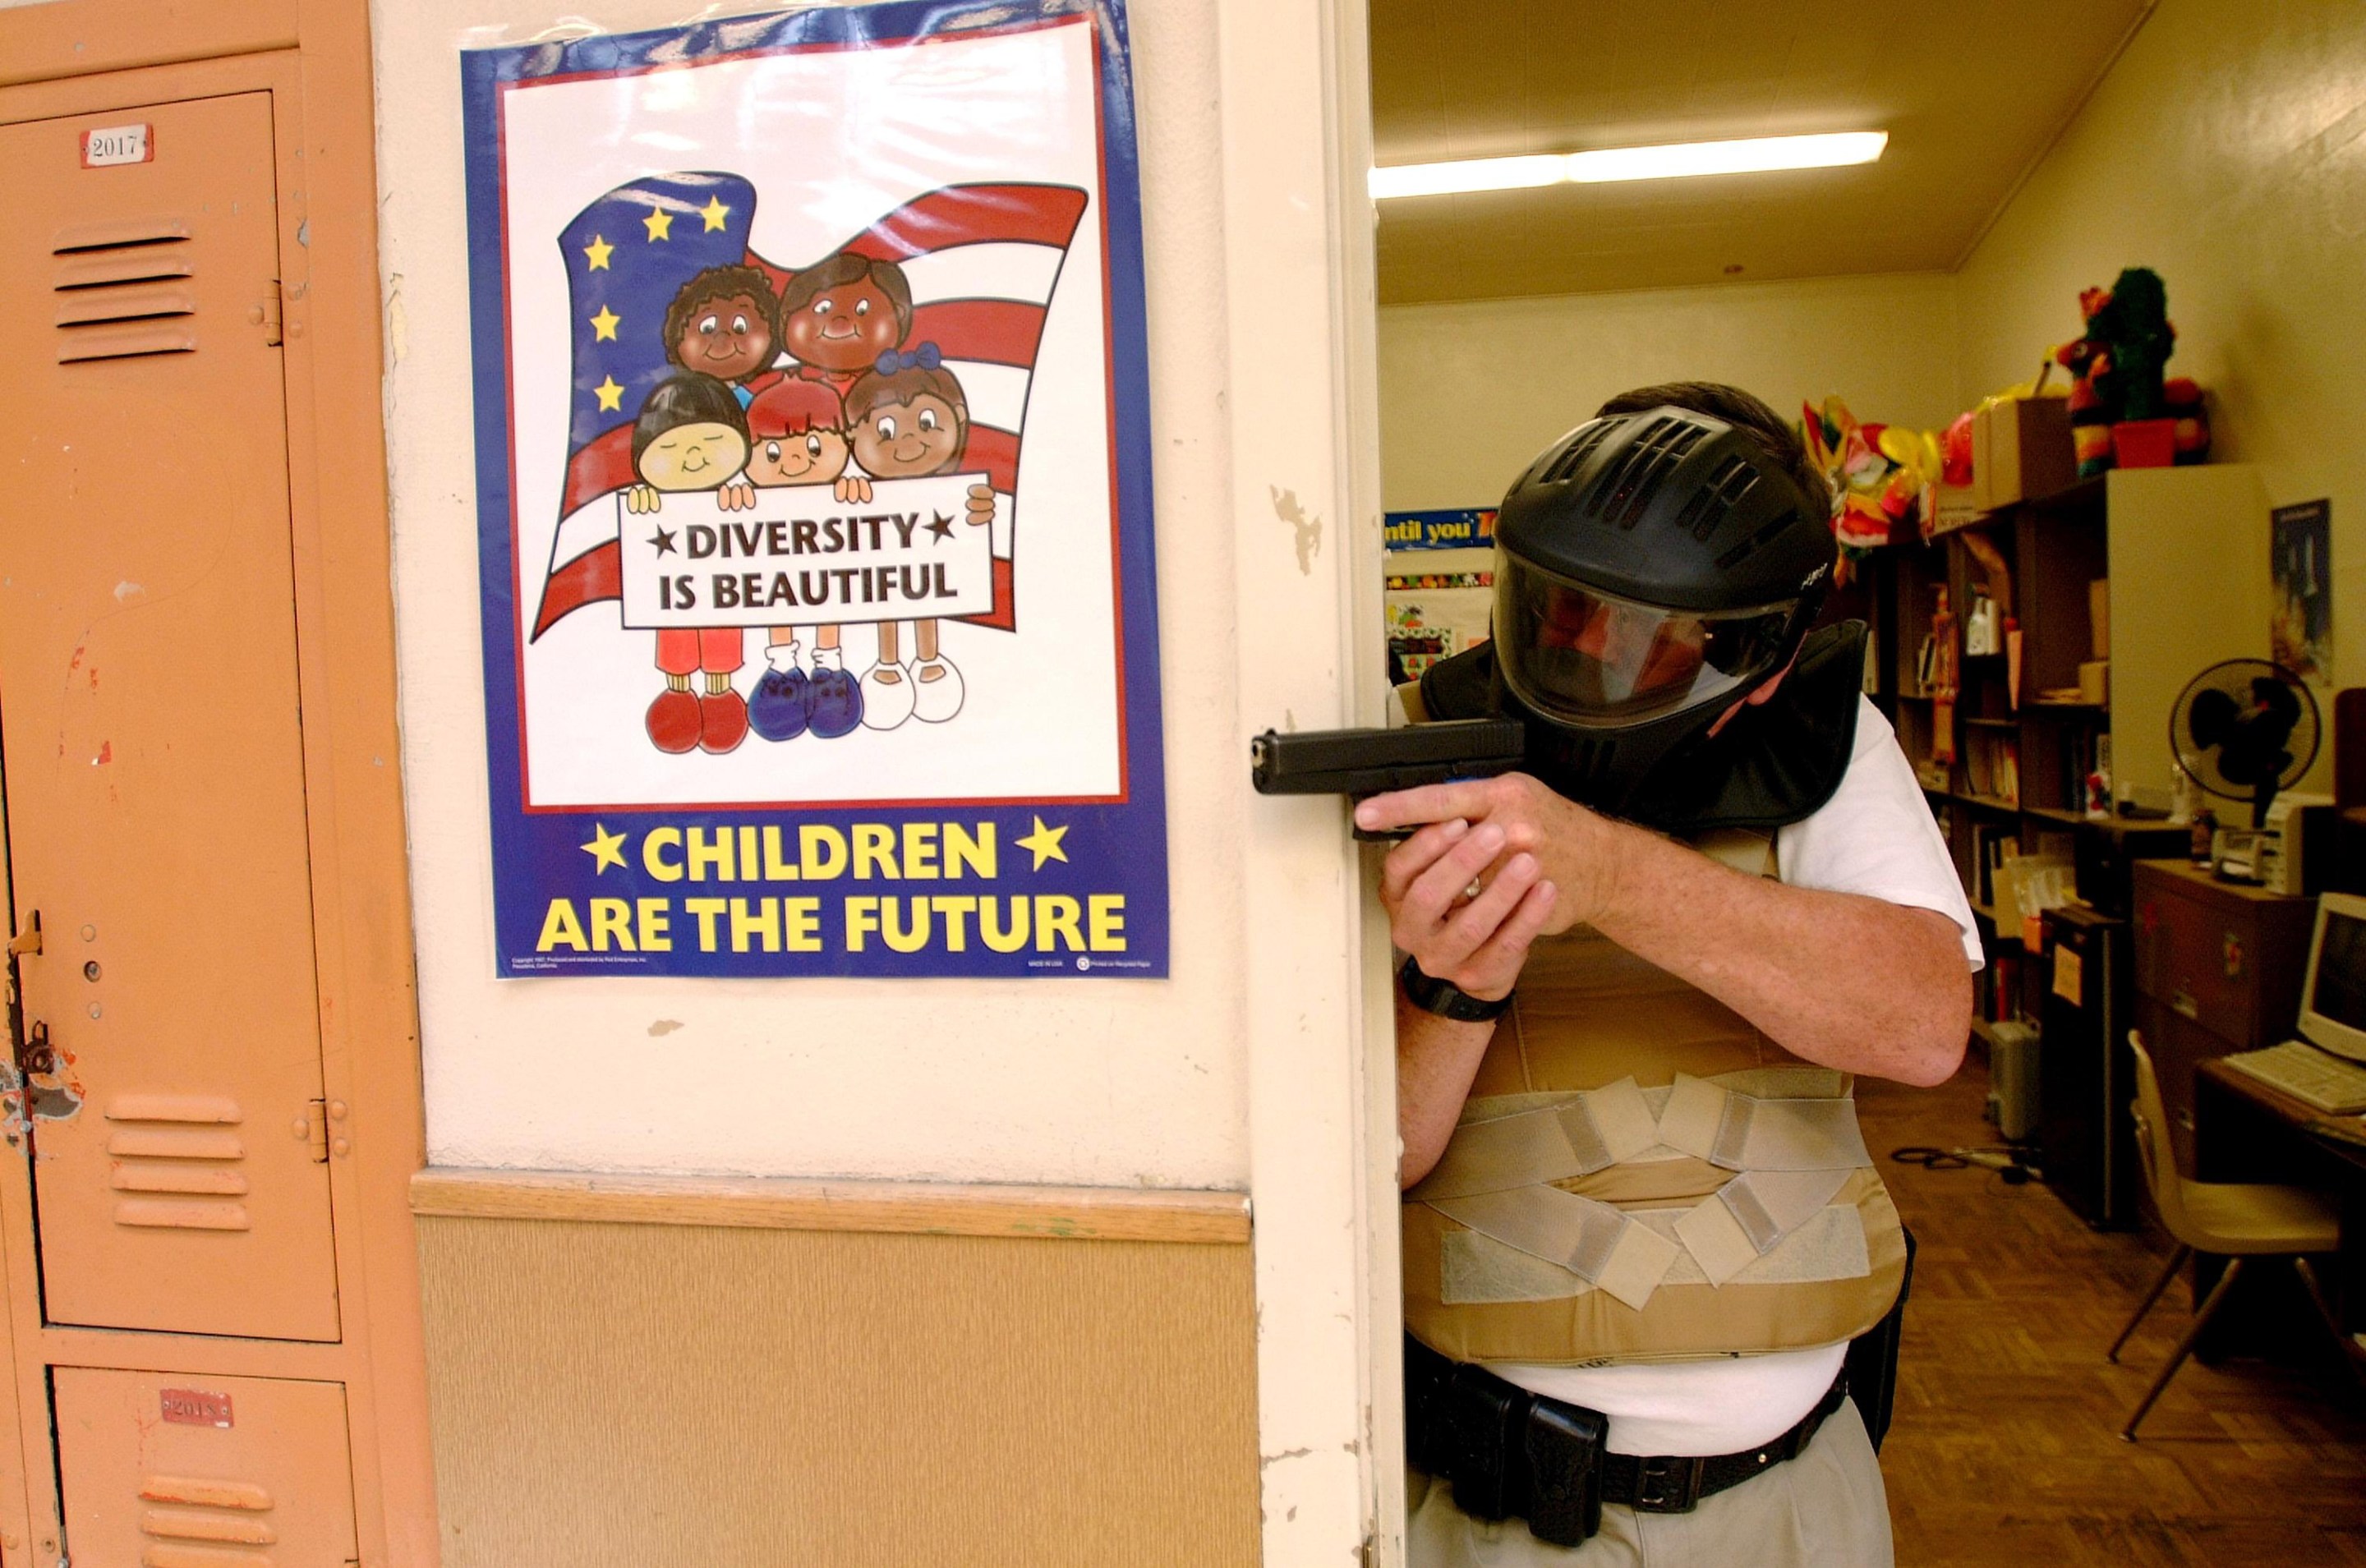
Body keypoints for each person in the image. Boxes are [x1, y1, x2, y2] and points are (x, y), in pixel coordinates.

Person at [1361, 383, 1976, 1566]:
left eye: (1647, 626)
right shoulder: (1411, 743)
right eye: (1567, 606)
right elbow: (1374, 1153)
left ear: (1755, 652)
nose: (1589, 645)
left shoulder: (1830, 742)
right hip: (1480, 1502)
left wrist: (1606, 874)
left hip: (1786, 1504)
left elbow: (1921, 1025)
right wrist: (1457, 986)